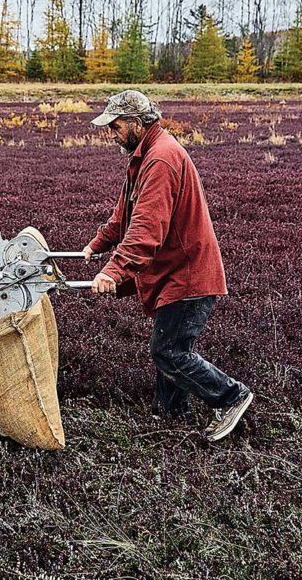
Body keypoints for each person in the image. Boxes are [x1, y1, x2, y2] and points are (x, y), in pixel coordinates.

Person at [83, 89, 253, 442]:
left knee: (169, 351)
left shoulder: (161, 160)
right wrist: (98, 243)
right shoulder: (143, 155)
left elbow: (147, 229)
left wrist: (113, 271)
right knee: (170, 346)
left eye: (114, 126)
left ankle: (230, 396)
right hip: (175, 272)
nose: (110, 133)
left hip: (188, 274)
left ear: (135, 123)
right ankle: (170, 414)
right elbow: (125, 214)